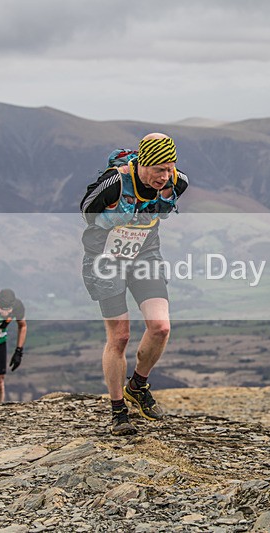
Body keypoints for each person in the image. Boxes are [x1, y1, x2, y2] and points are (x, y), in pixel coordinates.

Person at [81, 133, 188, 436]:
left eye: (170, 169)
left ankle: (137, 386)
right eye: (159, 170)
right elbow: (87, 210)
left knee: (161, 327)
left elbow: (166, 206)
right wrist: (116, 225)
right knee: (120, 337)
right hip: (106, 258)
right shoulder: (115, 181)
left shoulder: (177, 182)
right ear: (142, 164)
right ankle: (118, 412)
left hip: (146, 254)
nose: (165, 177)